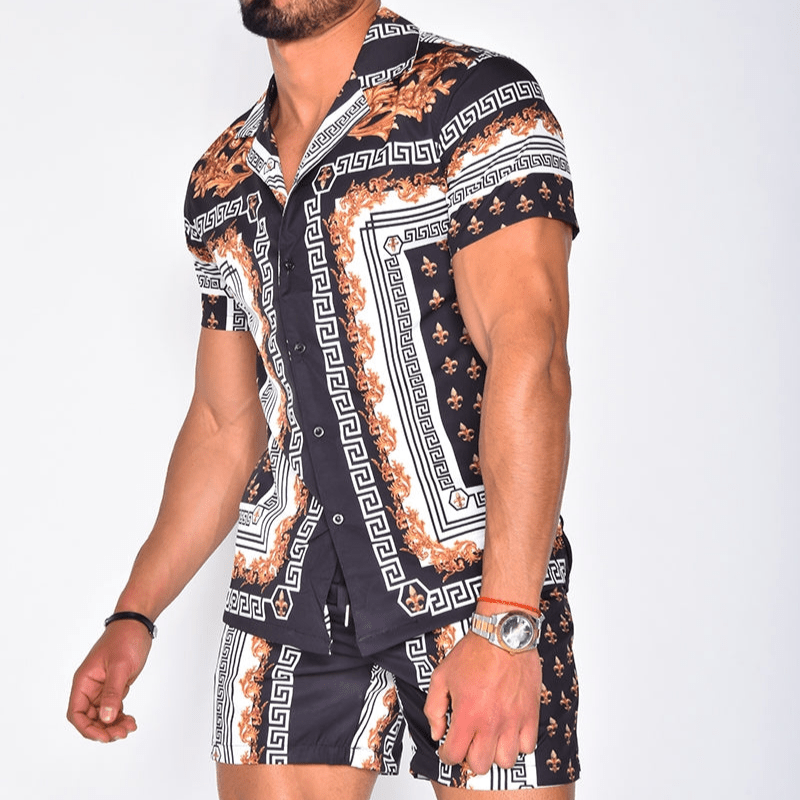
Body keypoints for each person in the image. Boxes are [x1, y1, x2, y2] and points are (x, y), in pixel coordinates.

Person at [67, 2, 580, 797]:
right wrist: (133, 614)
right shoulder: (221, 178)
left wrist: (509, 623)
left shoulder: (475, 102)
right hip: (286, 599)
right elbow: (224, 422)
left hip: (471, 594)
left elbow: (531, 356)